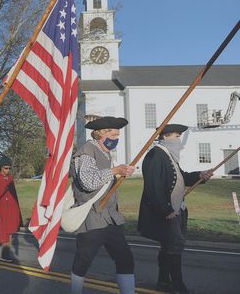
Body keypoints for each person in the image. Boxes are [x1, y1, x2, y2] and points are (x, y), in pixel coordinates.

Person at [138, 124, 213, 294]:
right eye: (176, 136)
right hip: (167, 212)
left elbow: (181, 177)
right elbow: (153, 186)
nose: (179, 140)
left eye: (179, 136)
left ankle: (163, 281)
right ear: (165, 137)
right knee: (174, 246)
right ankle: (178, 285)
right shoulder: (155, 155)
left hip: (177, 209)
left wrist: (200, 175)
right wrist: (166, 210)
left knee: (170, 247)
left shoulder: (168, 155)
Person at [68, 116, 136, 294]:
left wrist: (121, 172)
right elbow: (88, 182)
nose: (116, 138)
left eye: (118, 135)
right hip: (92, 218)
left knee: (125, 259)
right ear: (101, 134)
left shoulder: (104, 152)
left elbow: (103, 178)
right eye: (113, 134)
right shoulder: (86, 151)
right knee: (83, 262)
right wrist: (115, 170)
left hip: (111, 218)